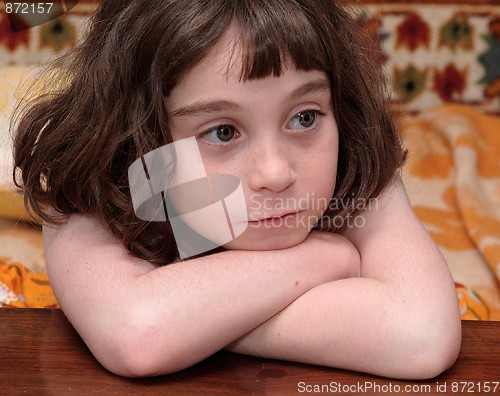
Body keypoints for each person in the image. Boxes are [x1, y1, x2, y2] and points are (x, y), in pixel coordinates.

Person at [12, 0, 461, 379]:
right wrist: (326, 257)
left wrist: (195, 324)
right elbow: (139, 336)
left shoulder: (355, 166)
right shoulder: (91, 185)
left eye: (304, 117)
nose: (276, 171)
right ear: (141, 140)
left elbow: (422, 335)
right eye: (223, 132)